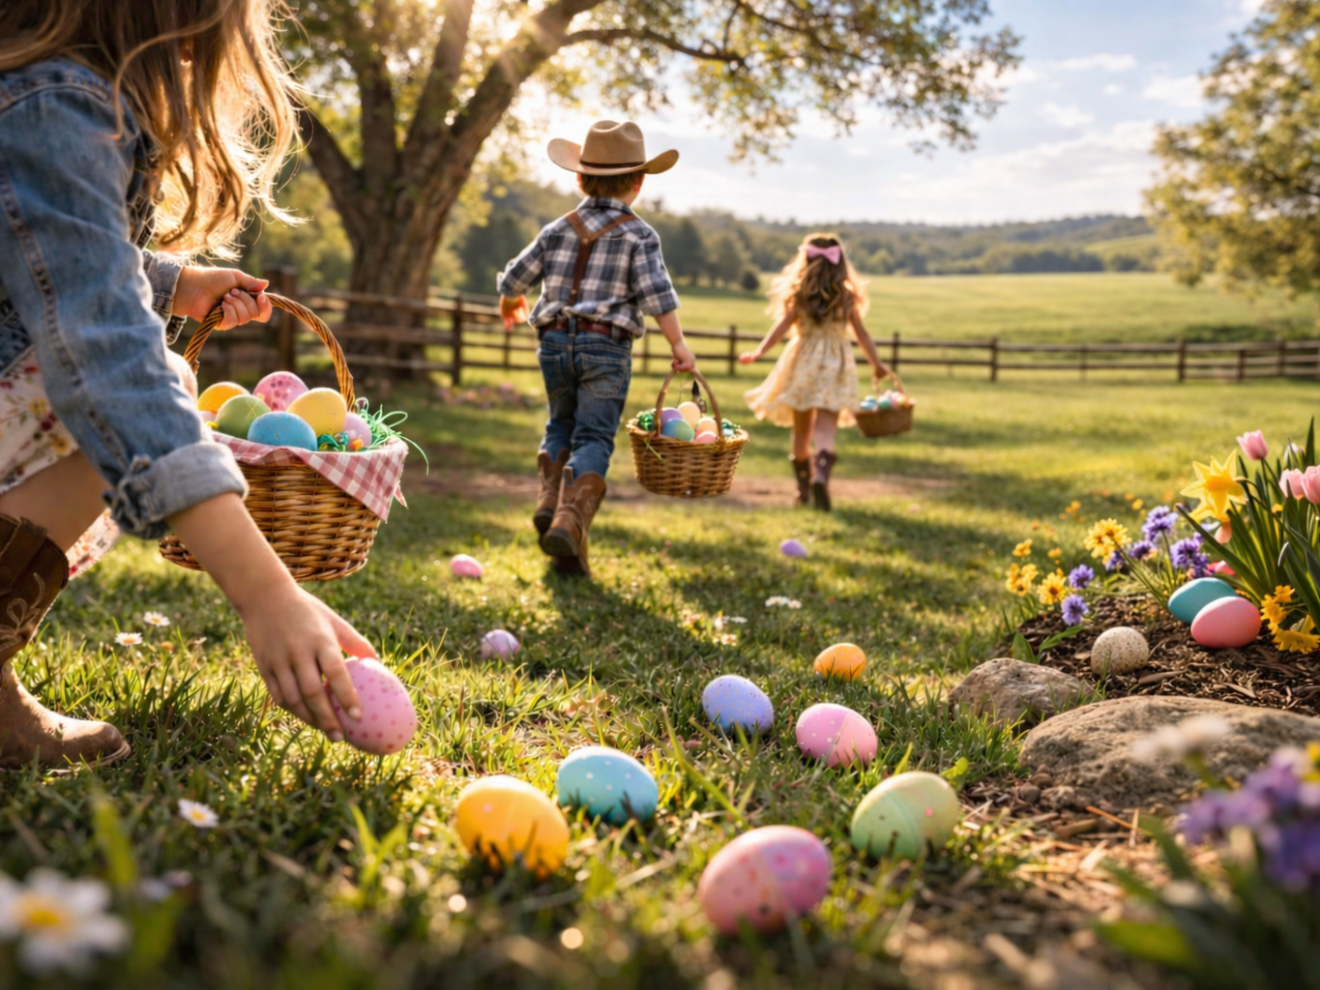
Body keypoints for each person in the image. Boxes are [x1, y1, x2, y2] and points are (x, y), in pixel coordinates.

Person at [0, 0, 372, 771]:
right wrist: (265, 592)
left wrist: (176, 283)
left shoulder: (45, 96)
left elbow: (37, 250)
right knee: (138, 387)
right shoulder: (57, 109)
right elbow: (106, 354)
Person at [497, 120, 696, 576]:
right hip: (605, 348)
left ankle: (549, 498)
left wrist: (512, 300)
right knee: (593, 437)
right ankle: (569, 515)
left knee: (559, 425)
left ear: (580, 177)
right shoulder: (639, 234)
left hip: (552, 344)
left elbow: (513, 279)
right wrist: (679, 344)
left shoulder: (556, 228)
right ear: (639, 181)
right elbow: (656, 296)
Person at [739, 234, 891, 511]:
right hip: (836, 366)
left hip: (802, 364)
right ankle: (821, 476)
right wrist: (877, 364)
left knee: (801, 432)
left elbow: (781, 328)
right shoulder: (846, 295)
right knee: (824, 432)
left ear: (806, 260)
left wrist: (760, 351)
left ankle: (803, 490)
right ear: (839, 261)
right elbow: (863, 336)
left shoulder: (800, 293)